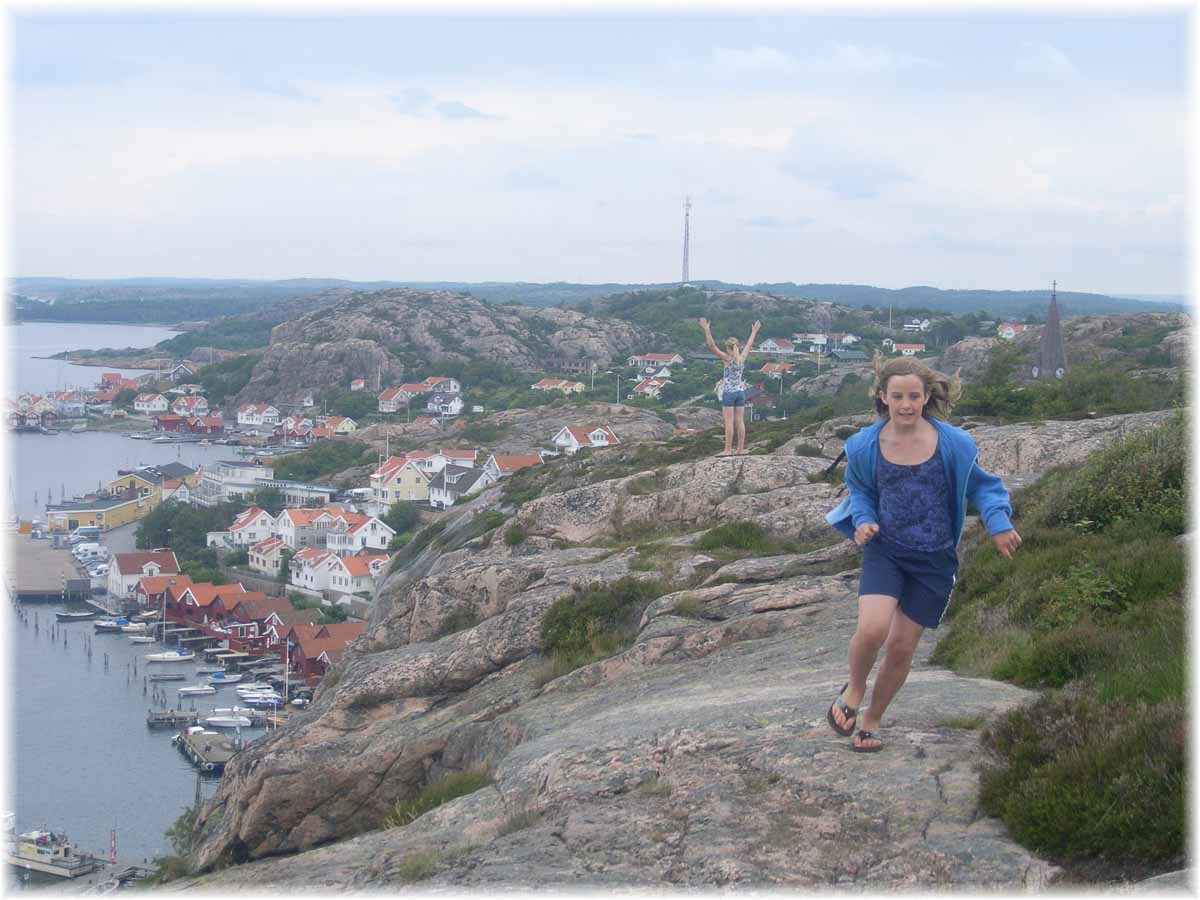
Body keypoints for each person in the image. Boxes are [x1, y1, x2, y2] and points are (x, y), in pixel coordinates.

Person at [824, 353, 1021, 752]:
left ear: (927, 396)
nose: (907, 404)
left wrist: (998, 524)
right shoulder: (864, 446)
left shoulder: (954, 443)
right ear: (883, 397)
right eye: (897, 396)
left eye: (914, 395)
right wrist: (863, 521)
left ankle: (873, 720)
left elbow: (983, 486)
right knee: (873, 629)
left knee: (901, 646)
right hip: (887, 551)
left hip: (934, 560)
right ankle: (855, 689)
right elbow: (860, 491)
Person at [700, 317, 761, 456]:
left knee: (729, 422)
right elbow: (749, 345)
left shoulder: (727, 359)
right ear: (737, 347)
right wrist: (754, 331)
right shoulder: (742, 358)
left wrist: (706, 329)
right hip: (741, 392)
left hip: (729, 393)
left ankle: (728, 450)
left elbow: (712, 346)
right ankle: (740, 449)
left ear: (727, 348)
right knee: (740, 421)